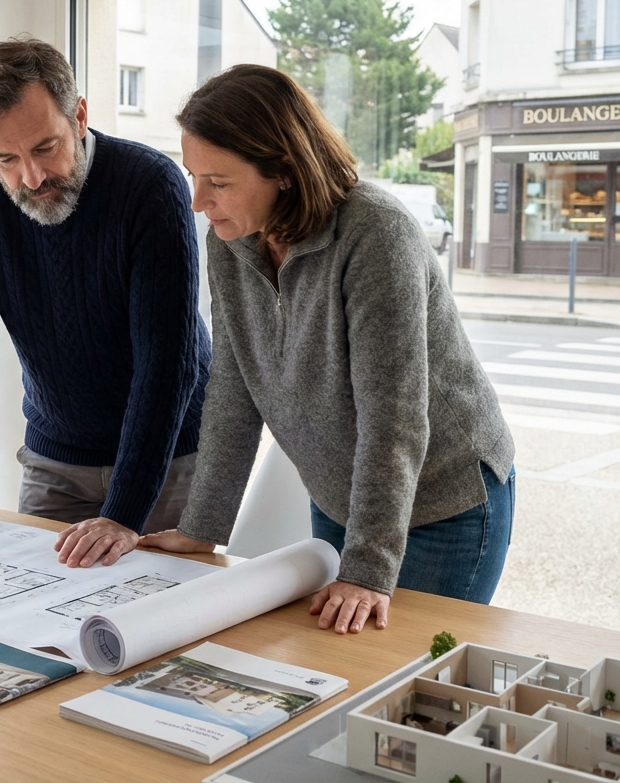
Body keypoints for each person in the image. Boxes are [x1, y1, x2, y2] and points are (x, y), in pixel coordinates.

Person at [141, 65, 516, 635]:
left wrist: (367, 570)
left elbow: (393, 418)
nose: (198, 201)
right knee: (342, 670)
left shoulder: (375, 233)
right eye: (194, 176)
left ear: (284, 171)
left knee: (414, 677)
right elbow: (234, 390)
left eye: (218, 181)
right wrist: (203, 527)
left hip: (445, 500)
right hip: (340, 497)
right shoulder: (233, 237)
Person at [0, 37, 210, 569]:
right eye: (5, 159)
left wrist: (124, 513)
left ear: (79, 116)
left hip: (174, 458)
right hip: (54, 459)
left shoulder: (150, 184)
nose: (31, 177)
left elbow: (166, 359)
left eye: (45, 147)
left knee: (161, 623)